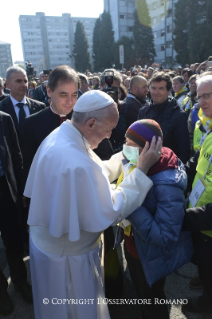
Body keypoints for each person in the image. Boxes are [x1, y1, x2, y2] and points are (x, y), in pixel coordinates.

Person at [24, 90, 162, 319]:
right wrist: (141, 170)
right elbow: (112, 209)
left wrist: (123, 157)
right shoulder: (75, 158)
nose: (109, 136)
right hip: (69, 261)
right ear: (90, 123)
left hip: (49, 248)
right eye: (108, 130)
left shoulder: (64, 135)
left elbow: (95, 172)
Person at [116, 119, 193, 319]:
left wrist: (130, 205)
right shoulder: (136, 163)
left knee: (152, 301)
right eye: (126, 141)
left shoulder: (165, 181)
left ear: (149, 147)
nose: (126, 148)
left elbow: (165, 234)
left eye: (132, 145)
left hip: (150, 255)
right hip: (133, 246)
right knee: (142, 296)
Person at [182, 74, 212, 315]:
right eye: (199, 96)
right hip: (202, 221)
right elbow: (196, 160)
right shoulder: (210, 129)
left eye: (208, 95)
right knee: (205, 267)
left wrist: (184, 218)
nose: (201, 101)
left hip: (206, 220)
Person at [22, 65, 80, 184]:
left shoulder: (85, 120)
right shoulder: (32, 123)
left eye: (74, 95)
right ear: (49, 91)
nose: (70, 101)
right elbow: (28, 165)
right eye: (63, 95)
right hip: (47, 189)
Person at [0, 111, 32, 315]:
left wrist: (22, 191)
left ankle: (19, 281)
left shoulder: (4, 118)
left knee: (12, 239)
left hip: (5, 188)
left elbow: (16, 155)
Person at [138, 72, 190, 164]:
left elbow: (183, 151)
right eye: (153, 88)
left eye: (161, 88)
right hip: (143, 166)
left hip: (167, 169)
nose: (156, 92)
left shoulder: (179, 115)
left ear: (169, 90)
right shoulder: (143, 112)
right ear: (149, 88)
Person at [0, 66, 45, 148]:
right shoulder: (1, 109)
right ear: (7, 84)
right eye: (18, 81)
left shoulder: (39, 107)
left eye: (25, 81)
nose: (24, 85)